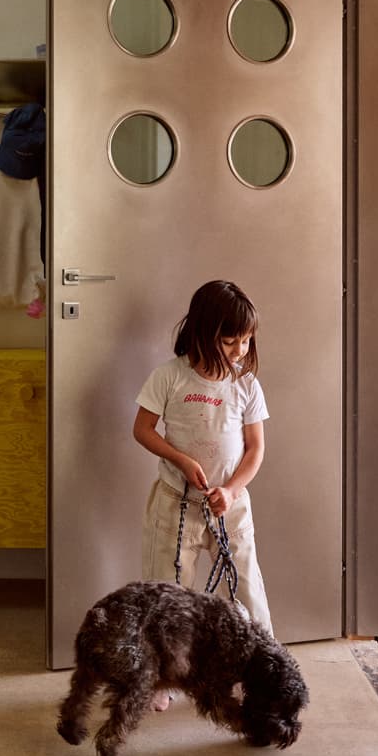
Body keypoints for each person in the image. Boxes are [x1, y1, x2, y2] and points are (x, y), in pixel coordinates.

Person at [133, 280, 274, 665]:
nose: (239, 351)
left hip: (230, 507)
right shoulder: (170, 376)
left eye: (246, 341)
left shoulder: (245, 384)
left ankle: (259, 669)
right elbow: (142, 429)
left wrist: (230, 490)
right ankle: (163, 677)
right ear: (203, 333)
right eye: (231, 341)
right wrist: (181, 459)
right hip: (175, 503)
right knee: (168, 595)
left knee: (245, 591)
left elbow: (255, 449)